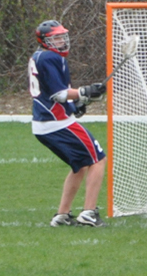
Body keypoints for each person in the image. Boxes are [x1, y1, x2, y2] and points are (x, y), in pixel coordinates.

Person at [29, 20, 107, 227]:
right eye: (56, 37)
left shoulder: (43, 56)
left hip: (46, 123)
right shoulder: (49, 57)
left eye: (63, 36)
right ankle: (89, 212)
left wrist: (78, 103)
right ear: (45, 41)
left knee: (80, 165)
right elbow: (60, 94)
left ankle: (62, 215)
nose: (62, 41)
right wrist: (85, 92)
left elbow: (56, 95)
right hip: (56, 123)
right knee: (98, 159)